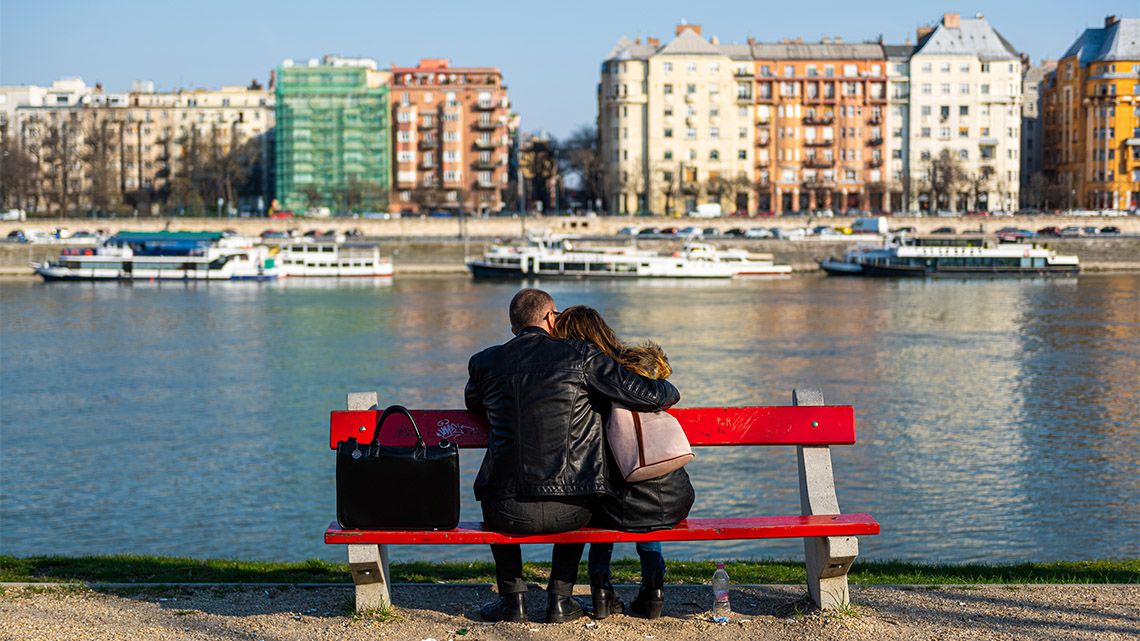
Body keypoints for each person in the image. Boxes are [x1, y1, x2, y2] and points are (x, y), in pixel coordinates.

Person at [465, 289, 680, 624]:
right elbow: (647, 393)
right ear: (552, 317)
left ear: (514, 328)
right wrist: (668, 389)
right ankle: (560, 600)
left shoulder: (485, 362)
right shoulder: (582, 355)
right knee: (586, 495)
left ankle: (512, 601)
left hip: (505, 511)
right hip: (572, 509)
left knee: (495, 489)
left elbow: (474, 402)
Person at [552, 305, 695, 620]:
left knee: (596, 505)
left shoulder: (589, 380)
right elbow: (665, 392)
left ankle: (601, 590)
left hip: (623, 503)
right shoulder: (632, 371)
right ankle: (653, 589)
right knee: (643, 518)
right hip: (675, 498)